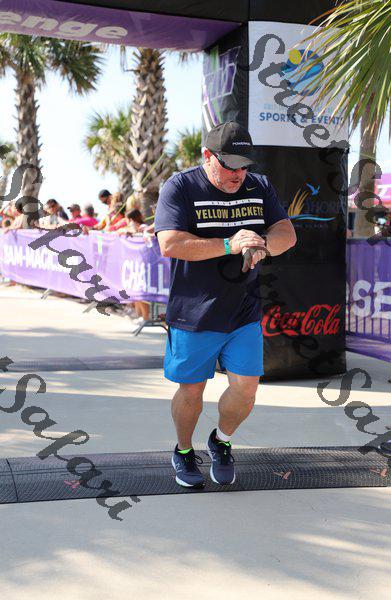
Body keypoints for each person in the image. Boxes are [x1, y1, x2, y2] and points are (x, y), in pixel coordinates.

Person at [154, 120, 296, 489]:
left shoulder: (258, 186)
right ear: (207, 156)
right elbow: (170, 243)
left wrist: (262, 244)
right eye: (230, 165)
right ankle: (184, 451)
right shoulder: (180, 186)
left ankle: (221, 441)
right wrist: (231, 244)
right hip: (193, 313)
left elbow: (286, 233)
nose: (238, 174)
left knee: (247, 388)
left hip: (243, 311)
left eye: (244, 166)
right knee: (191, 390)